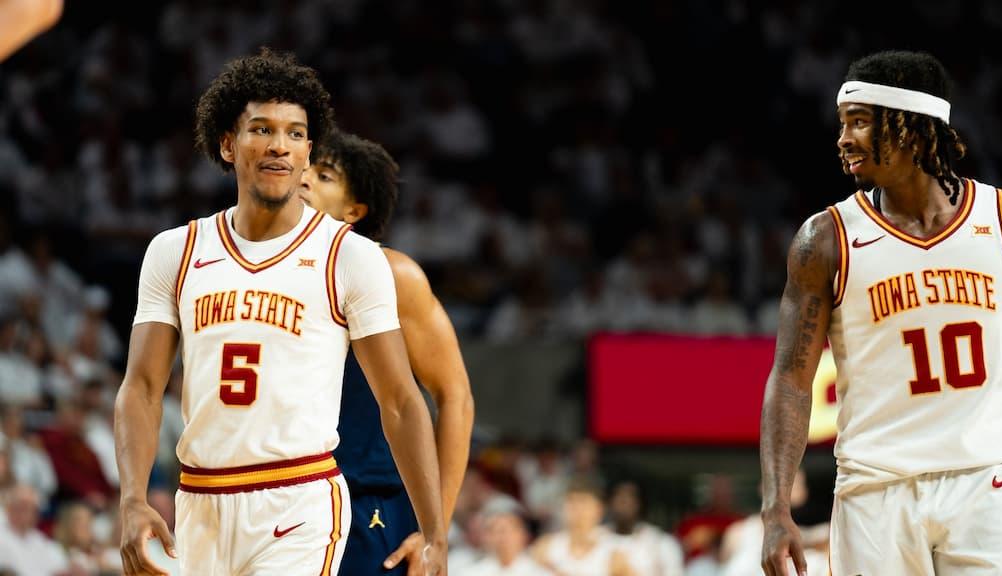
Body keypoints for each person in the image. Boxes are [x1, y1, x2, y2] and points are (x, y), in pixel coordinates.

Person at [114, 48, 448, 576]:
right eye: (262, 129)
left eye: (295, 134)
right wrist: (132, 497)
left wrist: (434, 533)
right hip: (200, 500)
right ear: (228, 144)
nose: (279, 145)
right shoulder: (174, 250)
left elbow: (402, 400)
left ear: (308, 150)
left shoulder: (351, 257)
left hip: (298, 499)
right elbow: (141, 387)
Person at [760, 50, 1002, 576]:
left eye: (858, 122)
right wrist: (775, 508)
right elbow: (790, 379)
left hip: (987, 482)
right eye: (842, 124)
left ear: (912, 129)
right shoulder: (826, 240)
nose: (842, 139)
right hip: (875, 488)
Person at [298, 129, 474, 575]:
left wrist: (436, 531)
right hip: (276, 498)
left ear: (353, 211)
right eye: (303, 168)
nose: (303, 178)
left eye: (323, 175)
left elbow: (455, 396)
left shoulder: (391, 273)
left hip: (367, 504)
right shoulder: (254, 274)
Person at [531, 476, 636, 576]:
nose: (577, 509)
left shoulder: (613, 552)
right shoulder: (546, 546)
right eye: (571, 501)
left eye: (583, 502)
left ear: (599, 508)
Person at [606, 480, 684, 576]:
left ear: (640, 504)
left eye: (630, 498)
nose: (624, 503)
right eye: (619, 498)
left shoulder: (662, 542)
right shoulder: (594, 538)